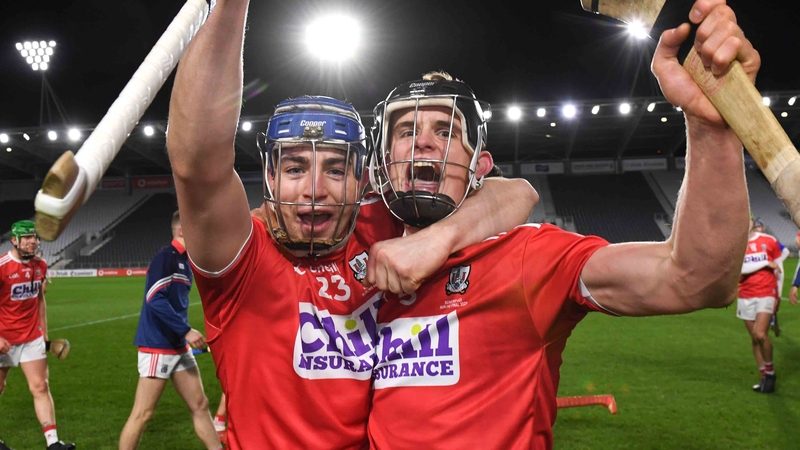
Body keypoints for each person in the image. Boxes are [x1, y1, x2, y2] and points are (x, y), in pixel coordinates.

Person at [366, 1, 759, 447]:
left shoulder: (527, 258)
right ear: (384, 162)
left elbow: (695, 278)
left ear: (481, 166)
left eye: (445, 131)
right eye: (405, 130)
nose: (423, 141)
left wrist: (710, 127)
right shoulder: (346, 257)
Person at [164, 1, 537, 448]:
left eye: (337, 170)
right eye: (296, 168)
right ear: (269, 176)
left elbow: (517, 192)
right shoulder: (241, 260)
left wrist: (438, 238)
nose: (315, 189)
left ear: (364, 180)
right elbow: (196, 164)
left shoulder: (381, 226)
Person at [119, 211, 222, 450]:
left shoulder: (185, 261)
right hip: (157, 346)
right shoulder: (166, 258)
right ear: (182, 230)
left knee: (200, 404)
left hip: (177, 346)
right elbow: (154, 299)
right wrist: (186, 330)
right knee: (143, 413)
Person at [0, 221, 75, 450]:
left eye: (35, 237)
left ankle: (53, 444)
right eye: (27, 238)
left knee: (40, 386)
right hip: (5, 338)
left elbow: (40, 301)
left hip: (31, 336)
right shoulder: (2, 267)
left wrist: (44, 336)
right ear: (14, 240)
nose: (33, 241)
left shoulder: (40, 264)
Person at [738, 214, 783, 393]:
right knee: (755, 339)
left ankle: (770, 374)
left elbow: (779, 269)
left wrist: (778, 296)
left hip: (766, 292)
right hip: (745, 295)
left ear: (752, 222)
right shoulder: (735, 245)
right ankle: (764, 376)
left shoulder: (769, 241)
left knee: (761, 334)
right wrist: (765, 262)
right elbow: (739, 269)